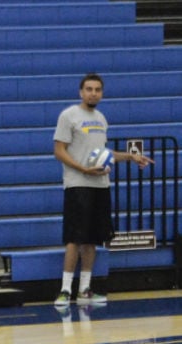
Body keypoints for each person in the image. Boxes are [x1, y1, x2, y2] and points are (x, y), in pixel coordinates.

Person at [53, 72, 154, 307]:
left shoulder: (101, 118)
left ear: (102, 93)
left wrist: (130, 156)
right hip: (78, 184)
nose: (93, 93)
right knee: (74, 238)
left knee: (93, 239)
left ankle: (85, 289)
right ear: (81, 92)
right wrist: (83, 169)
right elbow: (59, 150)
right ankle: (65, 290)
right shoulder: (69, 116)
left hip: (101, 185)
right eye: (89, 89)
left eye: (97, 89)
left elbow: (104, 154)